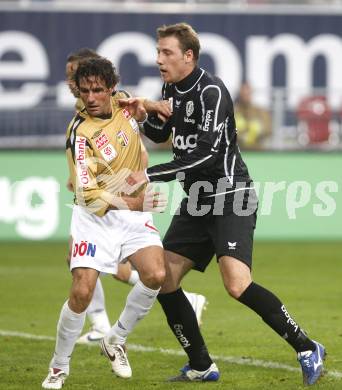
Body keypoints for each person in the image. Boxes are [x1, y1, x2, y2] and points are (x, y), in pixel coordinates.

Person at [120, 23, 326, 386]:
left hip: (231, 196)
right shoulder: (172, 88)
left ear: (189, 56)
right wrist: (138, 116)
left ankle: (308, 346)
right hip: (197, 201)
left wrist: (150, 175)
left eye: (166, 52)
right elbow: (160, 133)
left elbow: (207, 155)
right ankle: (201, 365)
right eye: (158, 52)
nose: (158, 59)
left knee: (237, 284)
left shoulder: (212, 91)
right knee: (163, 279)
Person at [64, 49, 208, 345]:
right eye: (71, 77)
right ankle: (103, 326)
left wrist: (152, 107)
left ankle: (109, 328)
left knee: (138, 270)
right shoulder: (88, 114)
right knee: (84, 262)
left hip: (123, 200)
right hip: (109, 199)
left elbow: (135, 125)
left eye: (73, 74)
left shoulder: (111, 104)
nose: (71, 82)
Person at [42, 57, 166, 389]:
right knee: (82, 291)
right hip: (95, 216)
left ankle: (115, 339)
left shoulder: (122, 101)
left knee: (156, 274)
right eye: (85, 92)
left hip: (132, 212)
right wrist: (139, 201)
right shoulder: (80, 134)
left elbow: (137, 109)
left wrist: (152, 105)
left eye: (98, 90)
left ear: (111, 88)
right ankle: (59, 366)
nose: (92, 97)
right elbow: (89, 197)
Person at [234, 82, 272, 150]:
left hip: (257, 150)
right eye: (243, 94)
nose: (246, 96)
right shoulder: (233, 112)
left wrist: (257, 130)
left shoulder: (260, 111)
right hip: (238, 150)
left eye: (248, 94)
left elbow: (268, 130)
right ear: (240, 94)